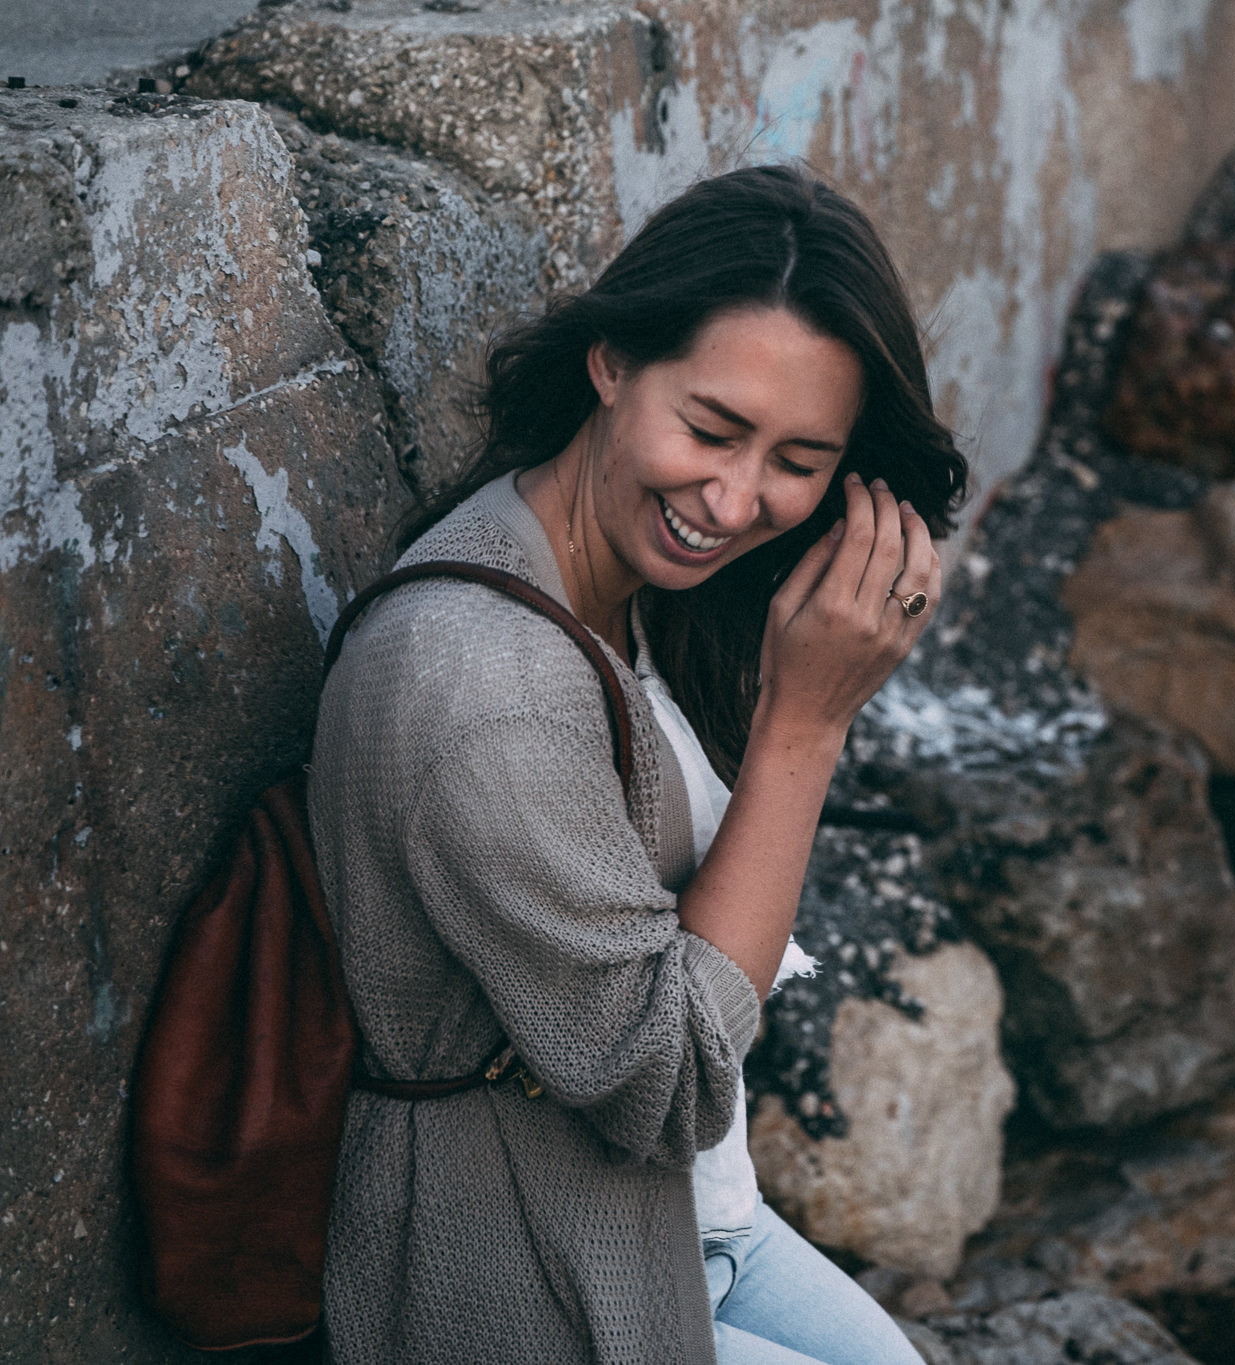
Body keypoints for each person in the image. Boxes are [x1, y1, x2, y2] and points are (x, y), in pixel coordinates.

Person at [306, 163, 967, 1365]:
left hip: (691, 1223)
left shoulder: (657, 594)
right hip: (530, 1271)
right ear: (611, 362)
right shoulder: (481, 686)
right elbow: (662, 1085)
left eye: (796, 459)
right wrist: (803, 730)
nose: (730, 498)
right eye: (709, 429)